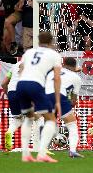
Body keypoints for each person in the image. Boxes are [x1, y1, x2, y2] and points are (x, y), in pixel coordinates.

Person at [16, 31, 62, 163]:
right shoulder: (54, 55)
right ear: (51, 42)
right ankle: (42, 153)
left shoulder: (29, 52)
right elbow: (57, 78)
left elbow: (21, 70)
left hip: (21, 84)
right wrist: (57, 101)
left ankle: (25, 154)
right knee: (51, 119)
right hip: (35, 85)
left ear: (38, 41)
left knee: (29, 117)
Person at [45, 57, 84, 158]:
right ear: (75, 66)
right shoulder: (76, 77)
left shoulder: (52, 72)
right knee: (72, 125)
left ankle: (44, 149)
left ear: (63, 63)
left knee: (49, 123)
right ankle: (72, 151)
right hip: (60, 96)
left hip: (45, 96)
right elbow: (73, 100)